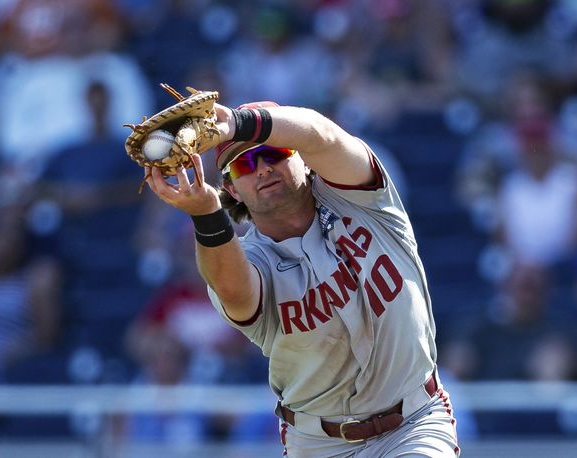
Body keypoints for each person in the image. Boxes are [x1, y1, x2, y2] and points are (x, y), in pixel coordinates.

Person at [143, 99, 460, 457]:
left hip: (413, 422)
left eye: (273, 153)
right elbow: (232, 291)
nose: (262, 169)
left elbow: (322, 136)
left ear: (302, 159)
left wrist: (237, 123)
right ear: (231, 189)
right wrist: (206, 215)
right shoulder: (246, 258)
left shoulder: (360, 197)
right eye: (244, 163)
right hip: (319, 443)